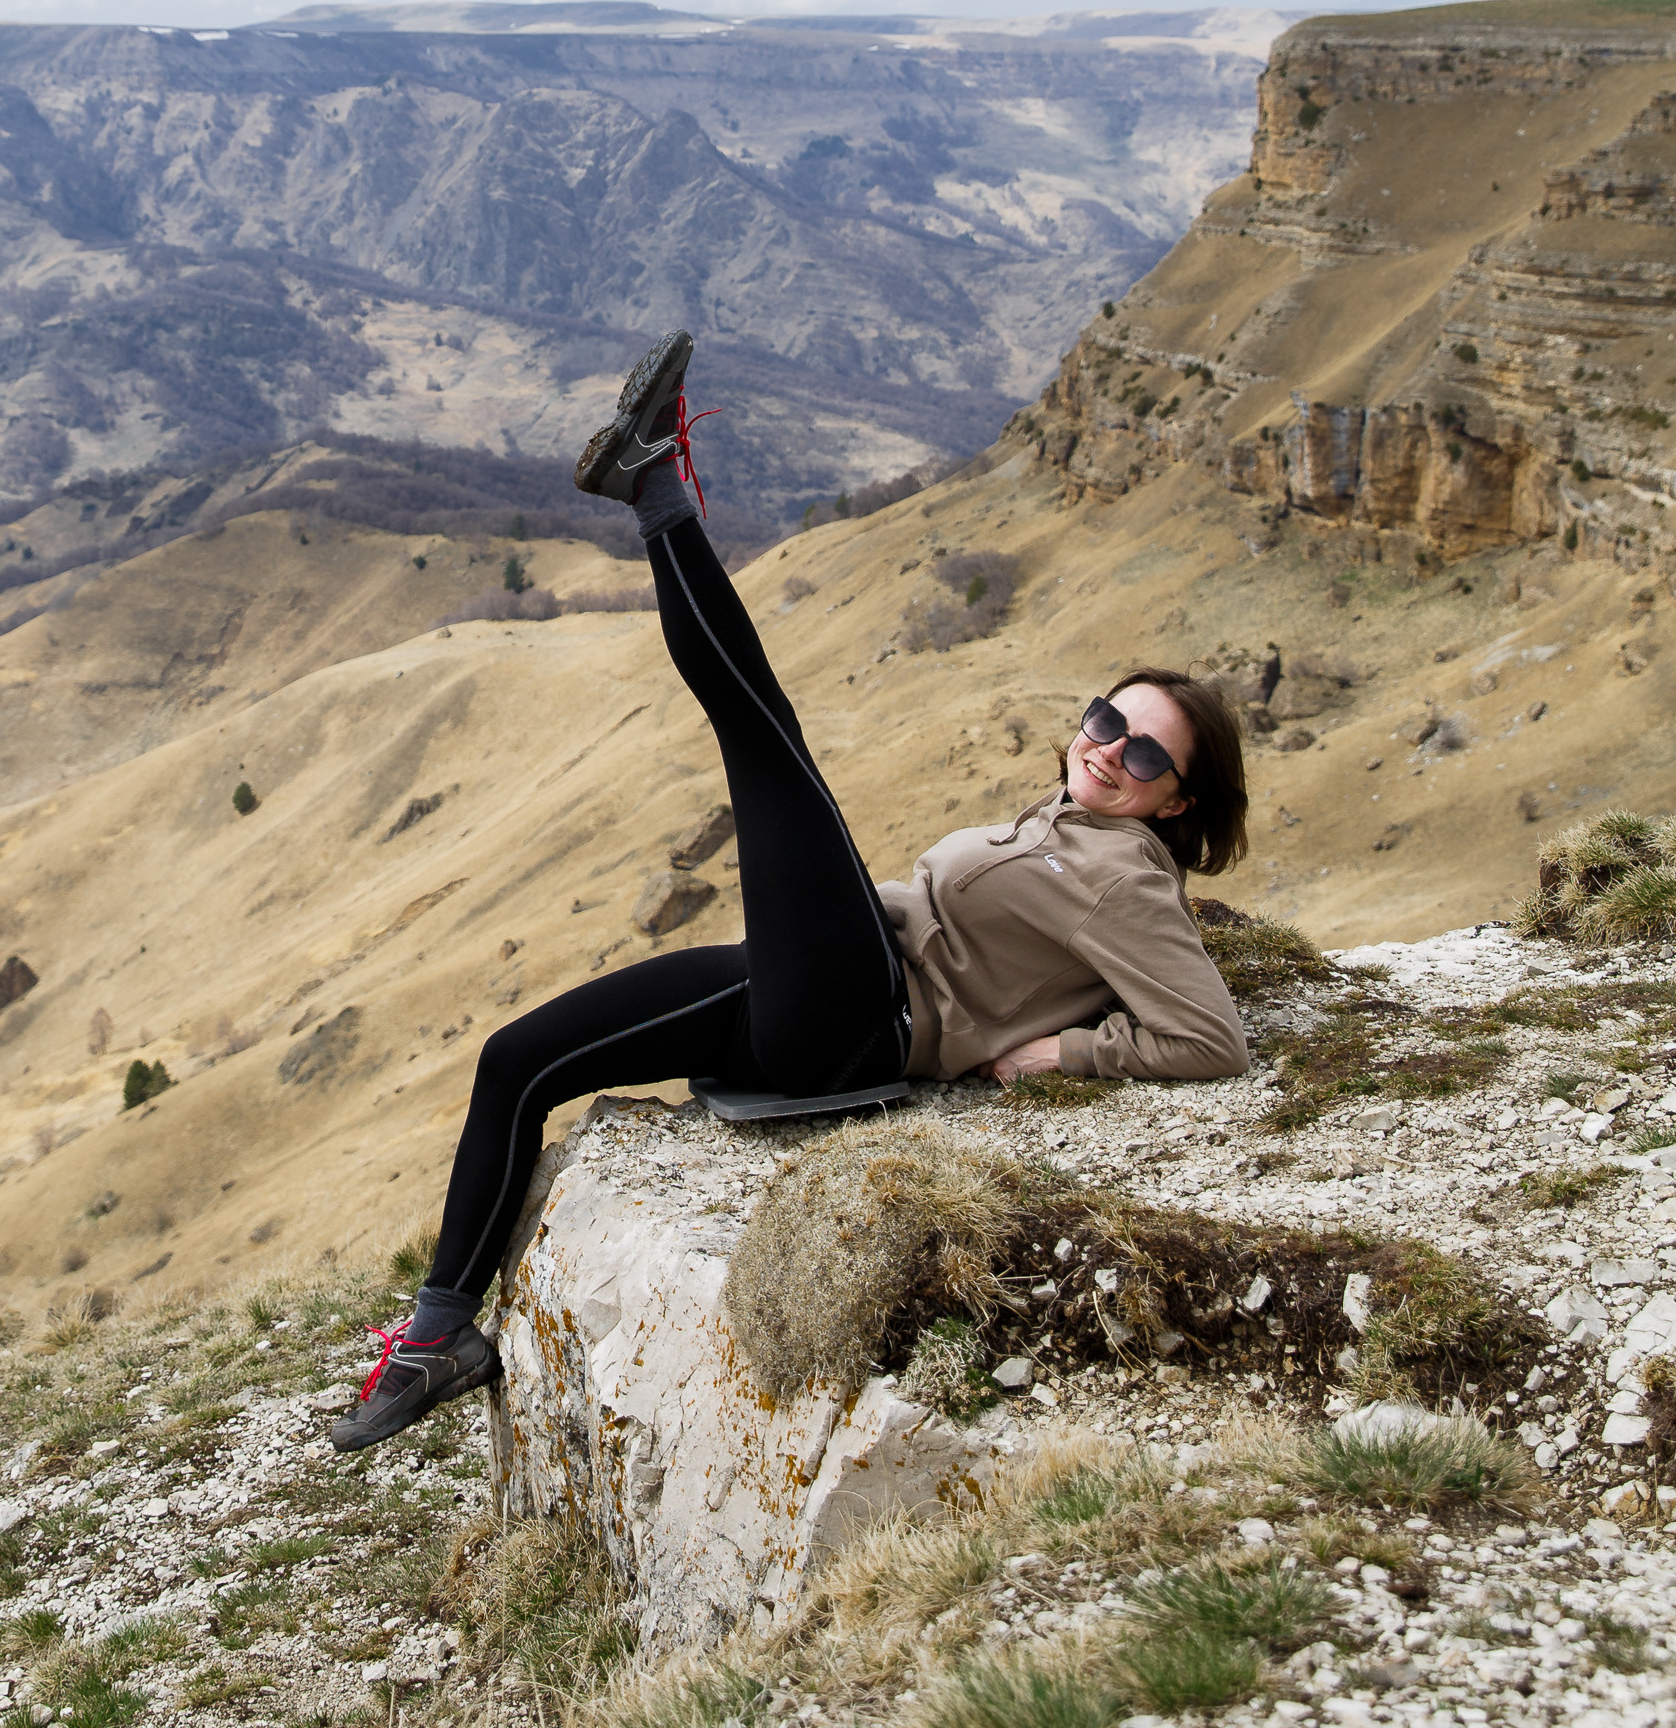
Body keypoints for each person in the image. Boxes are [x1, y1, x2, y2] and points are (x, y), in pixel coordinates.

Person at [330, 328, 1252, 1453]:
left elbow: (1208, 1037)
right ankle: (435, 1341)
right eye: (1107, 720)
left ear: (1176, 807)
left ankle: (655, 486)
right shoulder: (1067, 817)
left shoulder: (1127, 877)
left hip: (865, 1021)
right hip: (818, 982)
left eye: (1146, 757)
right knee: (516, 1059)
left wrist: (1061, 1055)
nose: (1109, 751)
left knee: (764, 742)